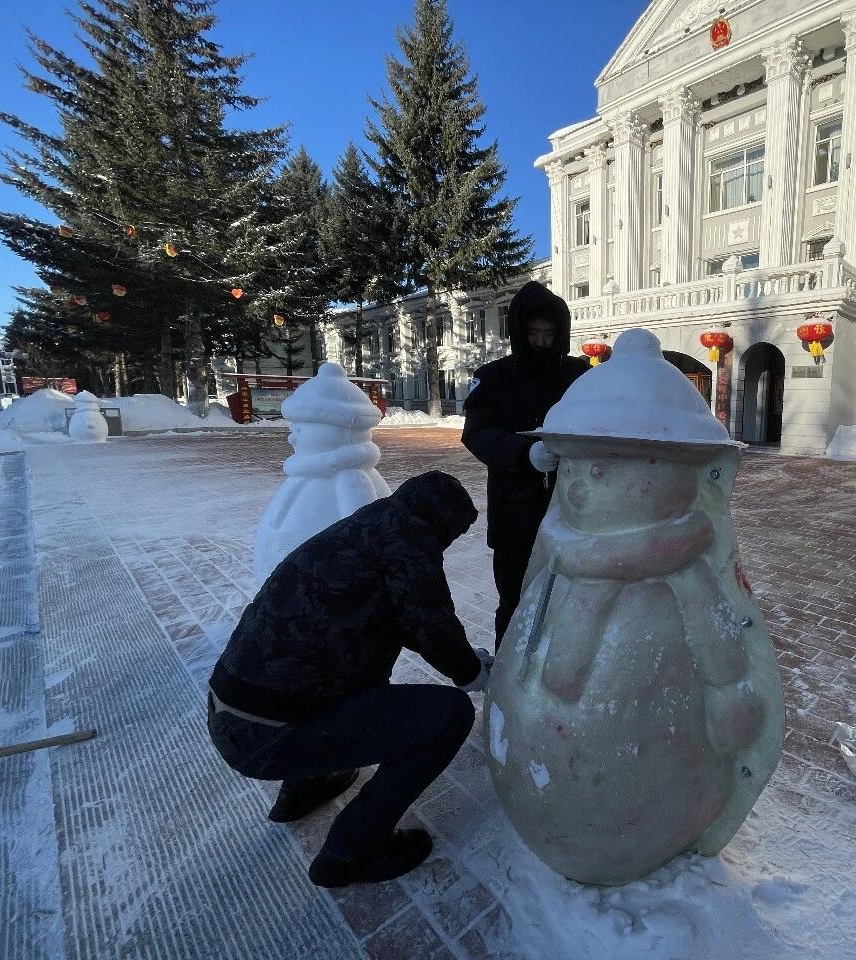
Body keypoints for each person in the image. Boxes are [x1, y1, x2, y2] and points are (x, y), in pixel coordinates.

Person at [207, 470, 490, 888]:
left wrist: (461, 658)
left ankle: (304, 788)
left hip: (230, 714)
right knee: (449, 715)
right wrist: (471, 673)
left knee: (345, 672)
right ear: (443, 522)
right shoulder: (408, 540)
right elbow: (428, 622)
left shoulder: (365, 528)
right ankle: (351, 852)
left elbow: (401, 618)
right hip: (271, 736)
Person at [462, 280, 588, 648]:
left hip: (571, 509)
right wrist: (523, 453)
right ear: (520, 331)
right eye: (534, 333)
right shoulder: (493, 377)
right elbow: (477, 433)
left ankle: (556, 670)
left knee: (569, 599)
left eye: (550, 334)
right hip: (514, 515)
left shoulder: (578, 374)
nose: (543, 342)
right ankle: (508, 669)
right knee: (515, 601)